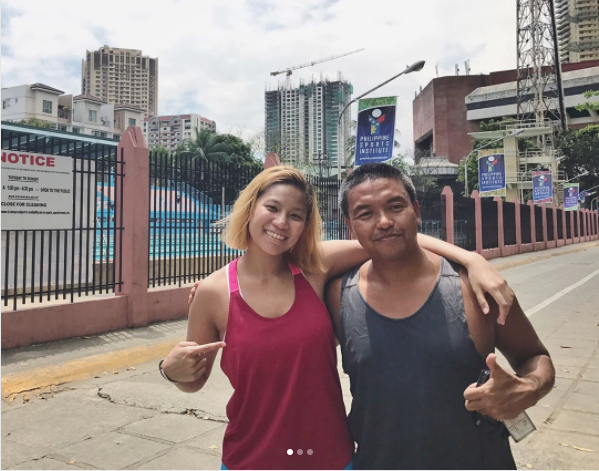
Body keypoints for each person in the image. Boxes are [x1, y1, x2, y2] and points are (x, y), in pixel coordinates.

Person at [161, 165, 515, 470]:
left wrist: (472, 261)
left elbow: (390, 235)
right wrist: (170, 370)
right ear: (250, 209)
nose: (281, 223)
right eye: (272, 208)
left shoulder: (315, 269)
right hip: (250, 458)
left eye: (296, 215)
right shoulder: (212, 292)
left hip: (330, 455)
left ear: (305, 225)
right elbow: (193, 379)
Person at [326, 163, 555, 470]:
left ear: (416, 210)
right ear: (350, 225)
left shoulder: (476, 288)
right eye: (365, 213)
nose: (383, 222)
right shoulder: (338, 294)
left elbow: (534, 356)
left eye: (396, 207)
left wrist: (527, 389)